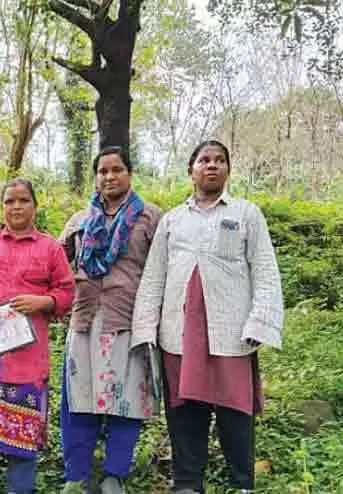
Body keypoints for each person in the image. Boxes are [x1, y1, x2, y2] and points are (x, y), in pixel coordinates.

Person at [132, 140, 284, 494]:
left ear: (228, 170)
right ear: (191, 170)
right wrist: (146, 326)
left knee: (235, 412)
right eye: (204, 160)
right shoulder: (172, 220)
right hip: (179, 333)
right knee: (185, 412)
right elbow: (154, 276)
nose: (211, 166)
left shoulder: (246, 214)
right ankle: (187, 483)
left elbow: (264, 270)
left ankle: (242, 483)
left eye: (219, 160)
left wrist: (259, 321)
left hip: (231, 331)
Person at [0, 178, 76, 494]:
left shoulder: (50, 247)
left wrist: (43, 301)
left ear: (35, 205)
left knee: (22, 448)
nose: (16, 207)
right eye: (9, 201)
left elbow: (67, 291)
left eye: (23, 200)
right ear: (2, 206)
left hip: (27, 364)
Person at [58, 147, 162, 494]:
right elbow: (54, 261)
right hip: (84, 321)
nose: (109, 177)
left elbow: (164, 268)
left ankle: (114, 474)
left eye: (117, 169)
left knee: (125, 400)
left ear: (130, 174)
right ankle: (77, 474)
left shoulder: (149, 218)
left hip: (128, 321)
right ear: (96, 177)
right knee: (79, 399)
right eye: (103, 171)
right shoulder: (79, 220)